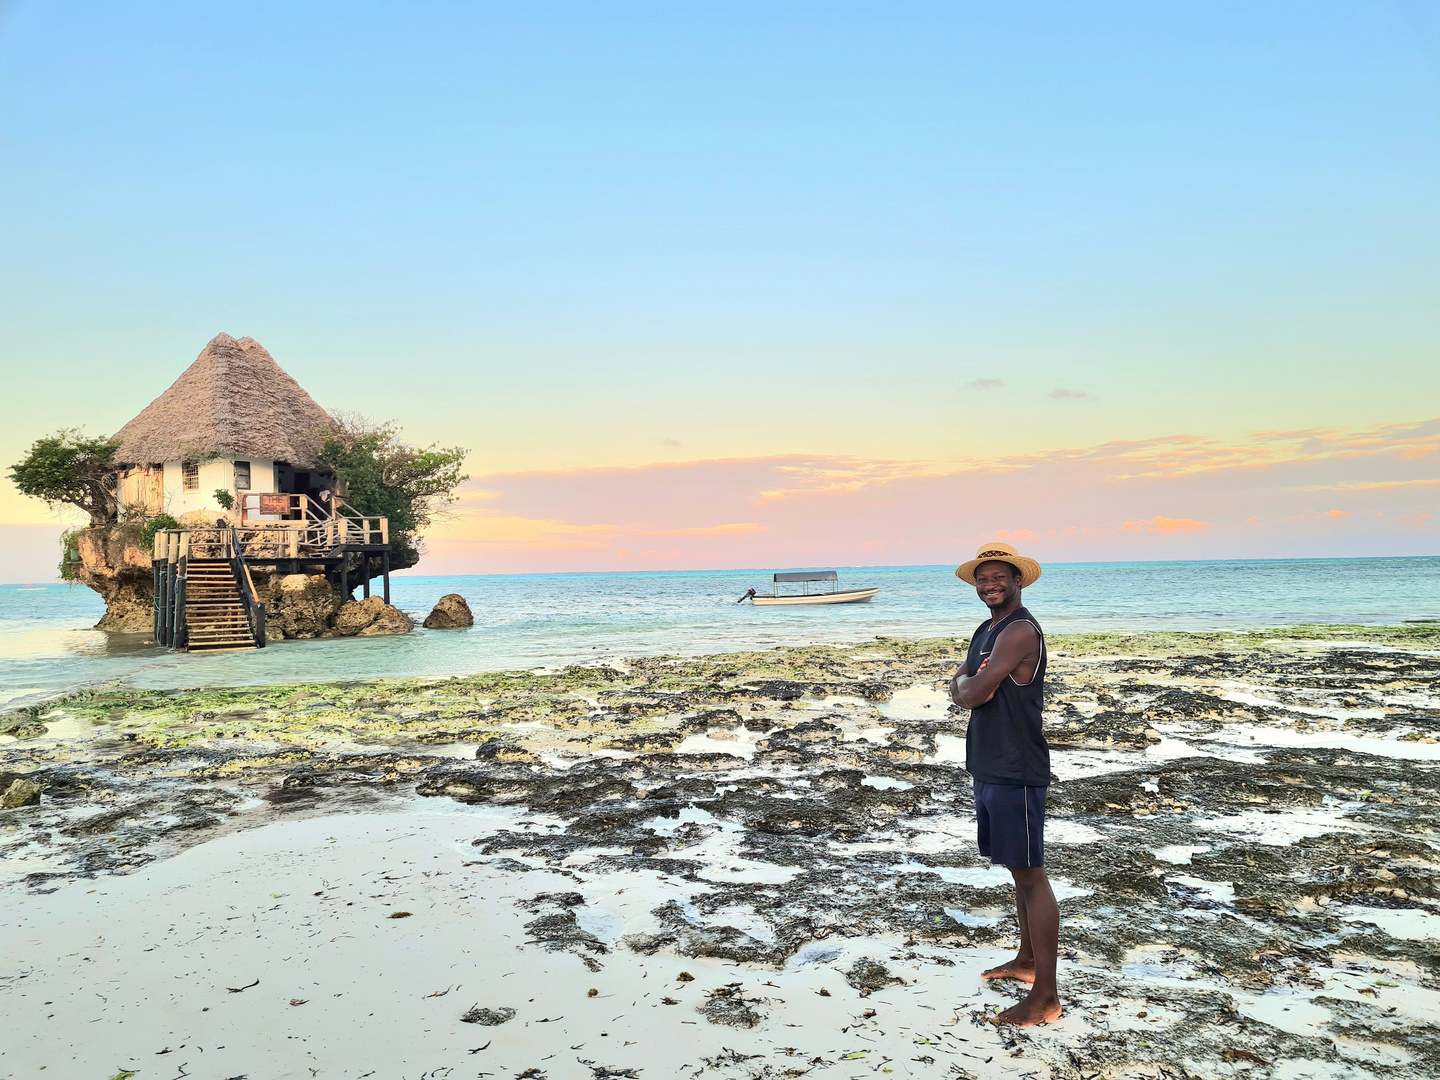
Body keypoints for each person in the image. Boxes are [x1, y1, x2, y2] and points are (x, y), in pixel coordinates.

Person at [948, 542, 1061, 1026]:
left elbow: (969, 691)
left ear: (1018, 581)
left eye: (999, 578)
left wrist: (964, 683)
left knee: (1033, 874)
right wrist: (965, 681)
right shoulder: (986, 628)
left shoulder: (1019, 631)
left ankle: (1046, 997)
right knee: (1018, 869)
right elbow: (966, 681)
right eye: (982, 579)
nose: (990, 585)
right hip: (989, 763)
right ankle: (1027, 961)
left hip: (1018, 769)